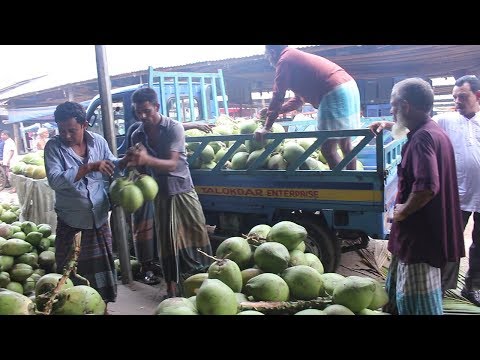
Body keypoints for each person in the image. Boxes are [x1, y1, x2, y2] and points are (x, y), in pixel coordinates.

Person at [369, 78, 465, 315]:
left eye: (393, 106)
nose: (392, 110)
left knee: (417, 303)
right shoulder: (431, 131)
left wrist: (403, 210)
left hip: (421, 238)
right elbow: (405, 127)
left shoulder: (422, 139)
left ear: (405, 105)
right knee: (398, 293)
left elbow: (427, 187)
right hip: (419, 237)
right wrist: (388, 124)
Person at [126, 87, 213, 298]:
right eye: (139, 112)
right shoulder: (137, 133)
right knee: (167, 244)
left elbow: (173, 164)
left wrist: (146, 160)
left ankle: (208, 284)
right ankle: (172, 289)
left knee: (196, 236)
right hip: (160, 195)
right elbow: (139, 168)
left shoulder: (174, 128)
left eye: (147, 110)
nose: (143, 116)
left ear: (156, 106)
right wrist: (134, 171)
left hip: (183, 191)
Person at [44, 101, 129, 306]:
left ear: (84, 125)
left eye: (71, 130)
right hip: (71, 221)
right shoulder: (53, 147)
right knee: (69, 273)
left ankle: (102, 307)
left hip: (98, 219)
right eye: (61, 130)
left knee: (102, 274)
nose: (66, 135)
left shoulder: (98, 141)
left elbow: (110, 165)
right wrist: (89, 167)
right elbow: (55, 180)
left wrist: (126, 161)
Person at [254, 45, 361, 170]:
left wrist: (266, 127)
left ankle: (343, 185)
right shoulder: (293, 58)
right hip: (348, 87)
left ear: (272, 53)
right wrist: (272, 111)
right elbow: (298, 101)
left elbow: (278, 94)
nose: (269, 60)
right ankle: (354, 181)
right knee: (345, 145)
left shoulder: (284, 60)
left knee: (327, 149)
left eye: (267, 57)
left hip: (333, 91)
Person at [431, 75, 480, 306]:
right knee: (449, 241)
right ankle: (441, 287)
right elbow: (419, 123)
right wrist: (390, 125)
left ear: (477, 96)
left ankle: (472, 286)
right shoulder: (445, 120)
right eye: (455, 97)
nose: (457, 101)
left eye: (462, 97)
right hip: (455, 195)